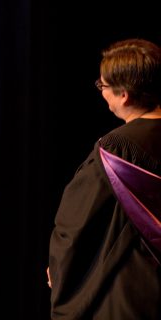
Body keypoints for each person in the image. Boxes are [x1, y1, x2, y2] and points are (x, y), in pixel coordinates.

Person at [48, 38, 161, 319]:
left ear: (124, 95)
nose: (102, 93)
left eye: (103, 86)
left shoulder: (117, 150)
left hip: (127, 292)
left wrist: (60, 270)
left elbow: (75, 226)